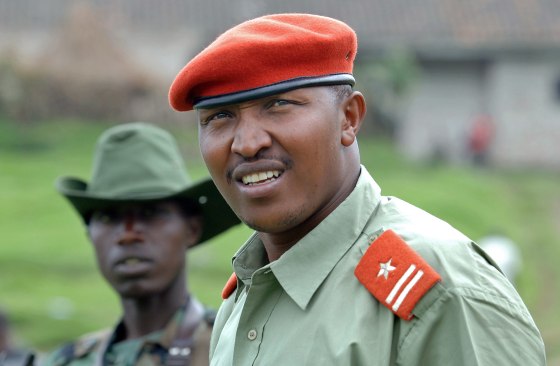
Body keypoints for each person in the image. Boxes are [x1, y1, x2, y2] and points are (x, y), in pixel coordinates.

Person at [168, 13, 546, 365]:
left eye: (279, 105)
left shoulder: (439, 295)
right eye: (220, 117)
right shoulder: (245, 296)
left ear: (348, 118)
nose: (247, 144)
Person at [41, 122, 239, 366]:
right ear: (90, 235)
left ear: (192, 229)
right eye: (109, 216)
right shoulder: (66, 361)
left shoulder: (233, 349)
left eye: (150, 213)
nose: (128, 234)